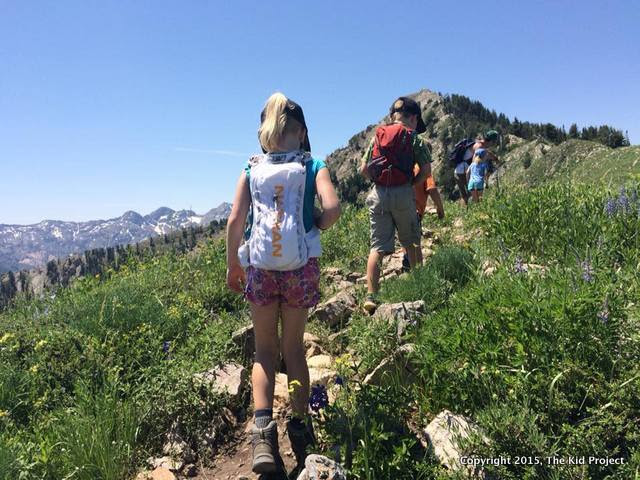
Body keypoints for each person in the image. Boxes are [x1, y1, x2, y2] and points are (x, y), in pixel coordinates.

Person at [226, 92, 340, 475]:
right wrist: (317, 224)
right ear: (302, 132)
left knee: (264, 351)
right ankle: (301, 428)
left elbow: (235, 221)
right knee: (293, 350)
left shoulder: (250, 169)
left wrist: (233, 265)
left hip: (260, 269)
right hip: (300, 269)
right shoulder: (313, 165)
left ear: (264, 134)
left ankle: (262, 436)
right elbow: (333, 209)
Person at [360, 97, 431, 313]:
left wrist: (379, 181)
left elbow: (363, 169)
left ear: (393, 116)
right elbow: (426, 171)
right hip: (403, 194)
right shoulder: (414, 138)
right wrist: (411, 183)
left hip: (378, 194)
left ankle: (371, 296)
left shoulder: (378, 136)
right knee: (412, 242)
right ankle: (419, 287)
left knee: (377, 247)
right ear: (414, 118)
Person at [452, 130, 500, 204]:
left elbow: (487, 152)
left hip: (458, 171)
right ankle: (476, 208)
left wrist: (495, 158)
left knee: (466, 195)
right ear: (491, 141)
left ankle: (469, 209)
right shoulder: (480, 147)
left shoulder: (479, 143)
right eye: (494, 142)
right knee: (470, 194)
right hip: (462, 172)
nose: (494, 144)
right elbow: (475, 164)